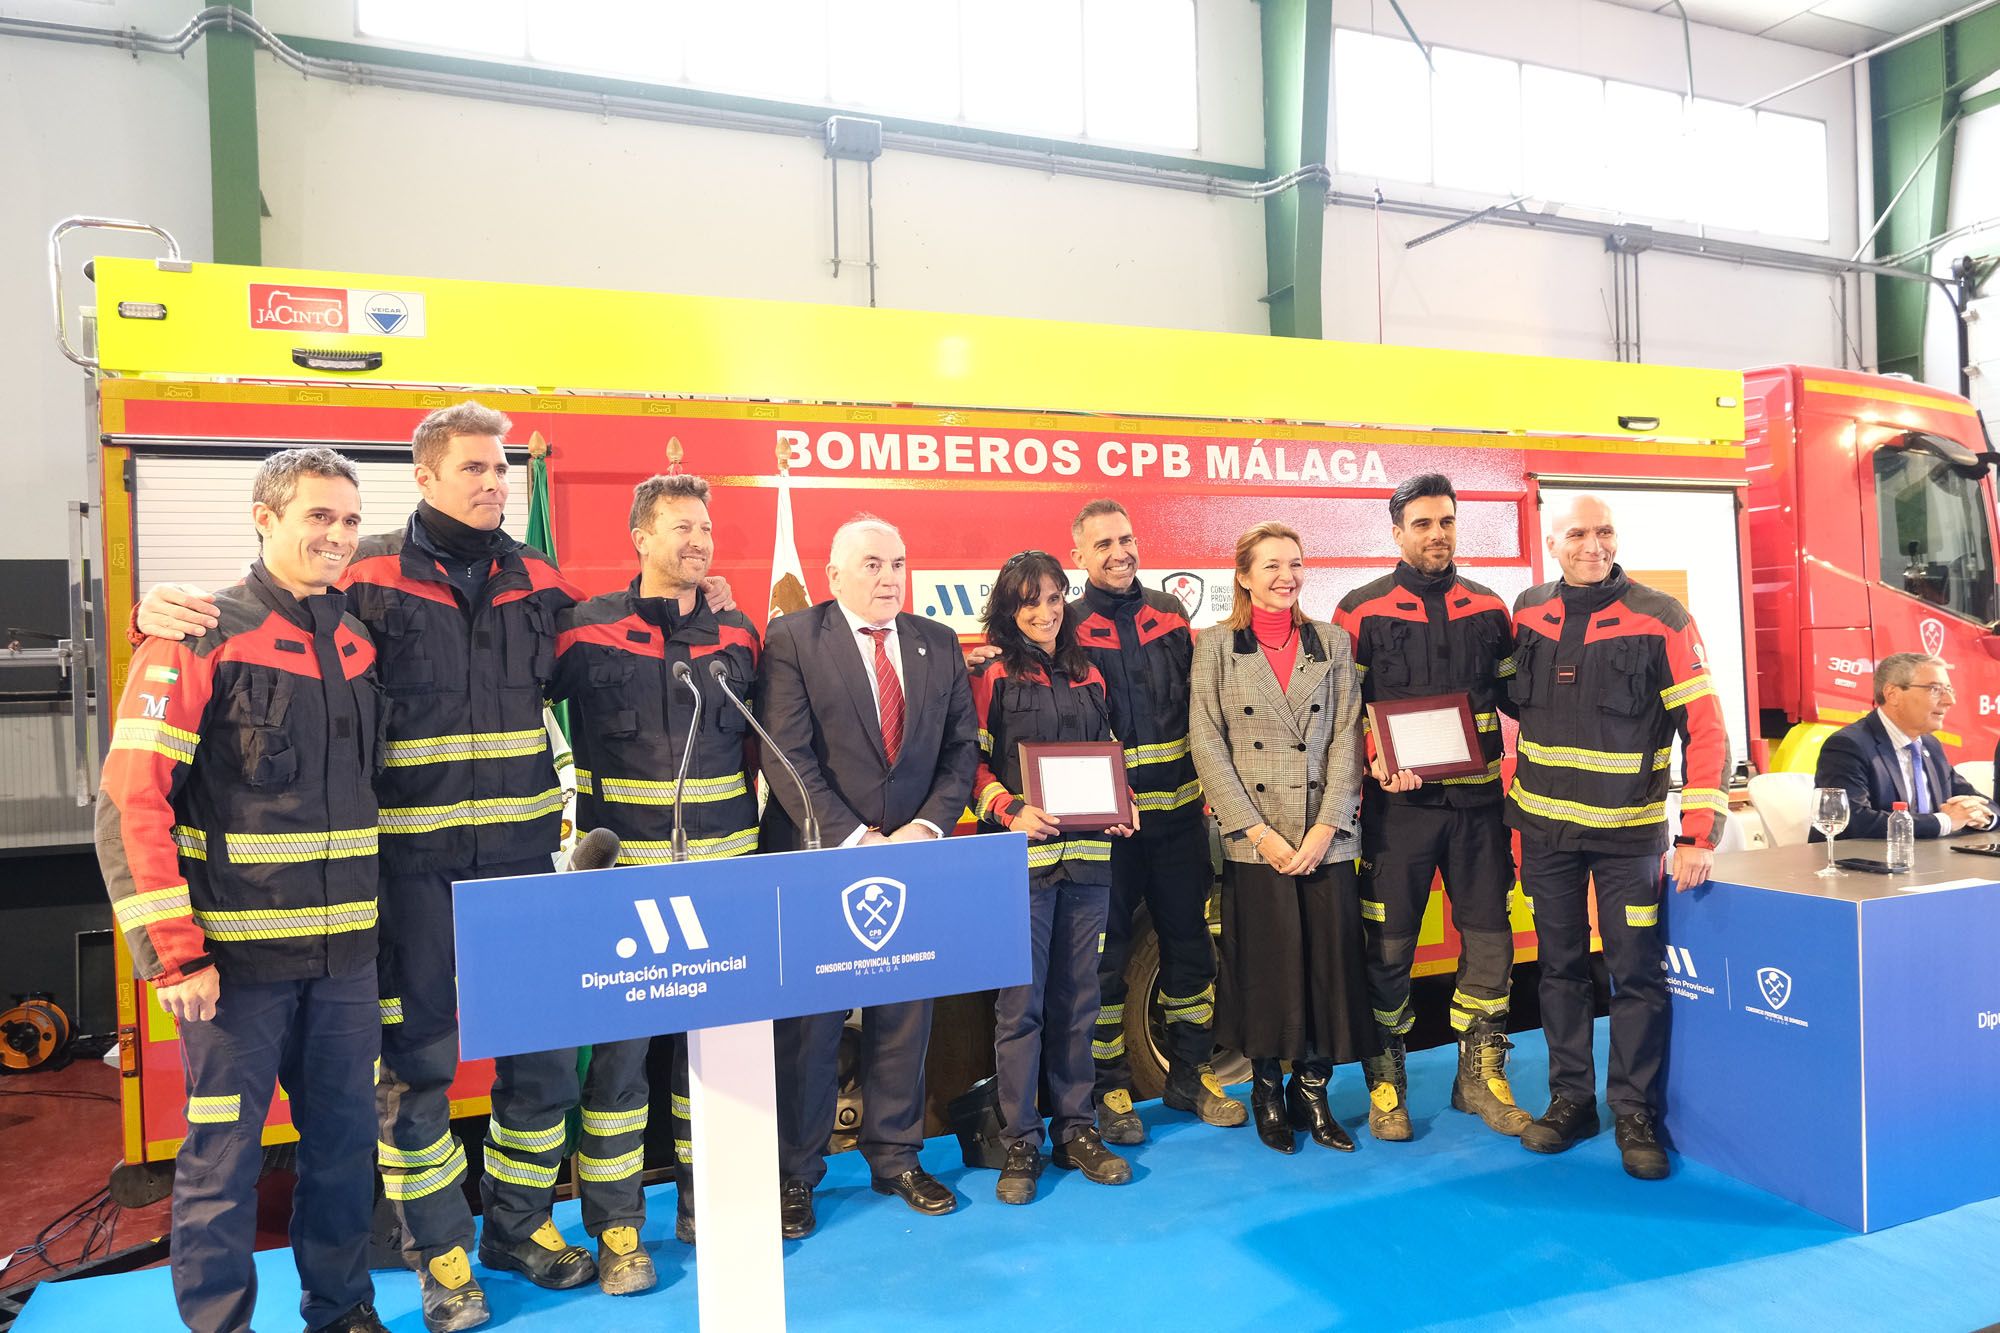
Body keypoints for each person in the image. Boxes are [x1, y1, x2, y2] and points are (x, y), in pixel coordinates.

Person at [98, 449, 386, 1333]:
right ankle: (220, 1325)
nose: (336, 536)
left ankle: (341, 1312)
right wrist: (174, 956)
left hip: (345, 969)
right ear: (264, 519)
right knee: (222, 1160)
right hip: (236, 971)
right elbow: (128, 804)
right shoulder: (196, 635)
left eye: (348, 518)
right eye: (316, 517)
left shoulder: (359, 639)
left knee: (342, 1155)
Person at [545, 474, 762, 1287]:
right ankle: (618, 1229)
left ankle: (711, 1201)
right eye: (680, 527)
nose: (698, 541)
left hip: (725, 883)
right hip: (625, 888)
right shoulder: (585, 630)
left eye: (705, 528)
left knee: (715, 1061)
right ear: (639, 537)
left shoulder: (738, 631)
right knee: (621, 1067)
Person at [757, 514, 980, 1238]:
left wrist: (922, 829)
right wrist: (856, 837)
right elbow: (785, 754)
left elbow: (958, 752)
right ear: (835, 576)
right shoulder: (794, 638)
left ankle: (897, 1155)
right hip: (819, 861)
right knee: (811, 1029)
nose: (890, 578)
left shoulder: (938, 642)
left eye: (899, 563)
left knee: (904, 1014)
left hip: (911, 859)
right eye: (874, 565)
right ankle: (796, 1173)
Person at [1506, 493, 1729, 1180]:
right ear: (1553, 541)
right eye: (1578, 532)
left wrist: (1696, 834)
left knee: (1634, 974)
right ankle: (1572, 1099)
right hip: (1544, 833)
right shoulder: (1528, 611)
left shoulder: (1662, 617)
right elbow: (1503, 707)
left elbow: (1708, 727)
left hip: (1630, 837)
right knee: (1560, 970)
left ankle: (1634, 1110)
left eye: (1604, 531)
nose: (1593, 543)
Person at [1334, 473, 1528, 1143]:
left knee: (1490, 942)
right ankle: (1387, 1081)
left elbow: (1515, 698)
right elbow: (1341, 709)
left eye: (1446, 521)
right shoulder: (1359, 610)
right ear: (1396, 532)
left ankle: (1479, 1075)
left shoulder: (1489, 607)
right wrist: (1372, 754)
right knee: (1388, 950)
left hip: (1478, 807)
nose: (1437, 533)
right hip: (1398, 813)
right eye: (1422, 523)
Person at [1188, 521, 1372, 1155]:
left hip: (1327, 838)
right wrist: (1256, 831)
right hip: (1256, 841)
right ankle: (1267, 1089)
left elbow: (1349, 736)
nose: (1284, 576)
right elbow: (1206, 744)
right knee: (1265, 971)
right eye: (1270, 565)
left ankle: (1313, 1092)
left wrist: (1328, 825)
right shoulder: (1215, 646)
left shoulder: (1334, 643)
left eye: (1294, 564)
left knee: (1326, 967)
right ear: (1243, 576)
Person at [967, 549, 1137, 1204]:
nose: (1046, 610)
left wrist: (1123, 806)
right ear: (1010, 608)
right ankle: (1020, 1142)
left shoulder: (1089, 671)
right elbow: (971, 766)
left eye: (1055, 596)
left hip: (1091, 862)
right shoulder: (990, 674)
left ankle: (1077, 1128)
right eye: (1031, 599)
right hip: (1021, 869)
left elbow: (1109, 753)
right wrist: (1008, 809)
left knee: (1080, 1001)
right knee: (1022, 1008)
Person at [1811, 652, 1995, 840]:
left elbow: (1984, 803)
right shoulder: (1848, 745)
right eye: (1935, 689)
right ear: (1893, 694)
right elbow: (1850, 820)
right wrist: (1944, 822)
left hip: (1930, 863)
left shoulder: (1930, 745)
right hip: (1865, 864)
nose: (1949, 700)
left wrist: (1982, 817)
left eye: (1949, 689)